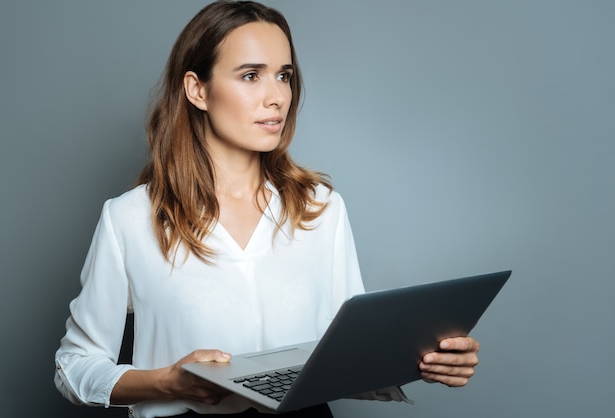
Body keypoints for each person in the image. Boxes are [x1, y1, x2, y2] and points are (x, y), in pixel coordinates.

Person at [54, 1, 481, 417]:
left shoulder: (321, 208)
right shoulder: (131, 218)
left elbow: (350, 359)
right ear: (197, 89)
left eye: (284, 75)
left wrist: (425, 362)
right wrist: (167, 382)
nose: (277, 96)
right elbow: (74, 367)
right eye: (251, 75)